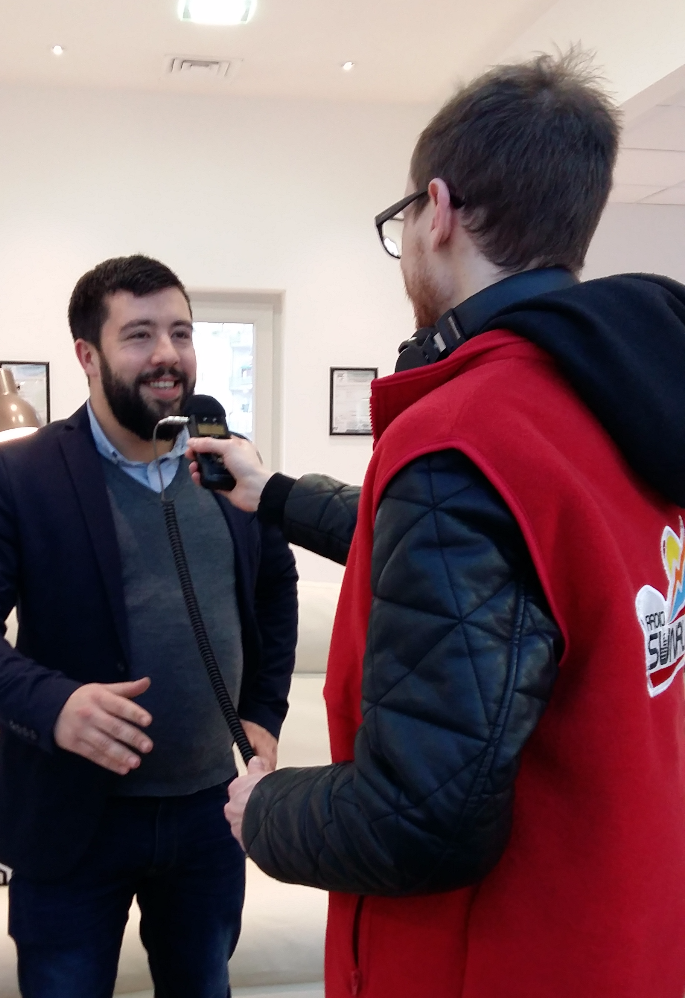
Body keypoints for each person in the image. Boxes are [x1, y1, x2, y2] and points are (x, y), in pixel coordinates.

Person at [189, 52, 685, 998]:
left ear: (438, 211)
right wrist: (276, 494)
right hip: (624, 936)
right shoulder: (617, 405)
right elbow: (495, 583)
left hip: (496, 957)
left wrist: (266, 810)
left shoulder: (463, 433)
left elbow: (420, 815)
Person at [0, 255, 298, 998]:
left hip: (208, 813)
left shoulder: (228, 466)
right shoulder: (22, 474)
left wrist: (263, 711)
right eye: (139, 334)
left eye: (181, 332)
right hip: (71, 817)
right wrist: (52, 704)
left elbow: (274, 590)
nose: (167, 353)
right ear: (87, 355)